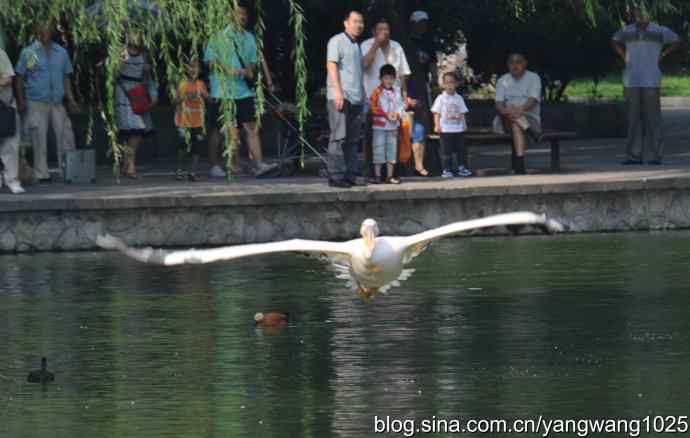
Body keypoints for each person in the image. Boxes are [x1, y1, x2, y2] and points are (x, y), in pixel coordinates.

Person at [204, 5, 277, 179]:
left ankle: (258, 164)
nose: (242, 18)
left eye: (245, 15)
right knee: (219, 130)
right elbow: (209, 61)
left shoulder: (250, 38)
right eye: (239, 15)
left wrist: (247, 71)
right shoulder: (218, 37)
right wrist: (228, 69)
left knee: (251, 127)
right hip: (222, 90)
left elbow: (251, 64)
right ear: (231, 18)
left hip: (243, 91)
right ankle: (214, 165)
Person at [612, 7, 681, 165]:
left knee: (653, 119)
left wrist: (663, 54)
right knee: (633, 118)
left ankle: (656, 155)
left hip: (651, 80)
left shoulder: (659, 30)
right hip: (632, 80)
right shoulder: (626, 31)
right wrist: (625, 57)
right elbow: (614, 40)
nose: (640, 16)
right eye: (637, 13)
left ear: (649, 14)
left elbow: (677, 40)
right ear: (633, 15)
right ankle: (633, 156)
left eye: (643, 13)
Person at [15, 21, 78, 182]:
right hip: (35, 101)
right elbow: (20, 78)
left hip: (57, 101)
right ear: (36, 30)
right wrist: (21, 100)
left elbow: (66, 76)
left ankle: (68, 170)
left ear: (52, 31)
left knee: (65, 135)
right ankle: (41, 173)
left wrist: (70, 98)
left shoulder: (61, 52)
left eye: (48, 28)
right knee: (38, 137)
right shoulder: (28, 52)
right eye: (41, 28)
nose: (45, 31)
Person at [361, 17, 411, 177]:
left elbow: (403, 73)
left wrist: (404, 96)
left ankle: (391, 174)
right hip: (373, 100)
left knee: (393, 138)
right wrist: (376, 43)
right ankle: (372, 174)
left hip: (393, 102)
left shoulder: (397, 46)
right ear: (374, 32)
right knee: (372, 139)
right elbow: (364, 64)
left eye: (387, 29)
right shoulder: (366, 45)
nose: (384, 32)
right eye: (380, 29)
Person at [326, 10, 367, 188]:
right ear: (346, 23)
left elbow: (357, 72)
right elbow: (331, 65)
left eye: (361, 22)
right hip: (341, 97)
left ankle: (350, 175)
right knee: (338, 138)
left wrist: (363, 94)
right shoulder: (337, 41)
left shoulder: (357, 45)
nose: (359, 25)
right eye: (355, 21)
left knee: (353, 140)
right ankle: (335, 176)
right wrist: (338, 92)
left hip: (357, 99)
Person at [114, 32, 158, 179]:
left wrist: (153, 94)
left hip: (139, 93)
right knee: (128, 130)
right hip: (124, 93)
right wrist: (121, 61)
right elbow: (114, 74)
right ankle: (129, 163)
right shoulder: (121, 51)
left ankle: (128, 162)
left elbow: (148, 78)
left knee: (138, 129)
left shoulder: (145, 53)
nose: (135, 36)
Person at [493, 53, 543, 175]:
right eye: (511, 62)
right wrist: (506, 111)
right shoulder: (502, 80)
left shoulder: (533, 78)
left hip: (530, 118)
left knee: (516, 125)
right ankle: (531, 133)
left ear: (525, 63)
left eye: (518, 62)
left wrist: (518, 110)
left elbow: (532, 101)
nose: (515, 65)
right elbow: (499, 104)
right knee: (510, 111)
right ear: (507, 65)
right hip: (505, 119)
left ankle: (519, 163)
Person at [403, 10, 436, 177]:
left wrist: (435, 84)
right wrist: (405, 94)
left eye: (424, 23)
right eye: (419, 23)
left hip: (422, 87)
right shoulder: (406, 43)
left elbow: (432, 65)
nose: (422, 26)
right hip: (407, 85)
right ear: (413, 24)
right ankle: (404, 164)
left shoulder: (429, 43)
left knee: (420, 128)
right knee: (405, 127)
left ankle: (419, 164)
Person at [174, 58, 208, 182]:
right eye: (191, 67)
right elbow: (175, 100)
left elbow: (209, 99)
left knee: (197, 147)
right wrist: (185, 97)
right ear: (186, 69)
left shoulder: (201, 84)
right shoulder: (182, 84)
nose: (193, 70)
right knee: (182, 146)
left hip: (198, 122)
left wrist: (204, 95)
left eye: (196, 67)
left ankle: (192, 172)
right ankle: (179, 170)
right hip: (183, 122)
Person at [370, 64, 404, 184]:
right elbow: (372, 107)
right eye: (386, 78)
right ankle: (377, 176)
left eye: (391, 78)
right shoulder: (377, 91)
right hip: (379, 126)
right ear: (381, 79)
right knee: (378, 149)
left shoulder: (397, 92)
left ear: (394, 79)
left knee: (392, 150)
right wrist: (385, 115)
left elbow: (401, 107)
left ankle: (389, 176)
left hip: (393, 126)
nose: (389, 81)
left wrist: (397, 115)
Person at [432, 72, 471, 179]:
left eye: (452, 82)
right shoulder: (441, 98)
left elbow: (462, 112)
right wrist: (436, 125)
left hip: (458, 129)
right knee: (446, 152)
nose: (450, 85)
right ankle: (447, 169)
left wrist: (464, 124)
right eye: (447, 83)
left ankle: (462, 168)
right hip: (445, 130)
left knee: (461, 150)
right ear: (443, 85)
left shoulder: (459, 98)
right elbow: (436, 113)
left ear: (456, 84)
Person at [0, 47, 25, 194]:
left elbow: (8, 78)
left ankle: (12, 181)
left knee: (10, 145)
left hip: (5, 106)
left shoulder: (0, 54)